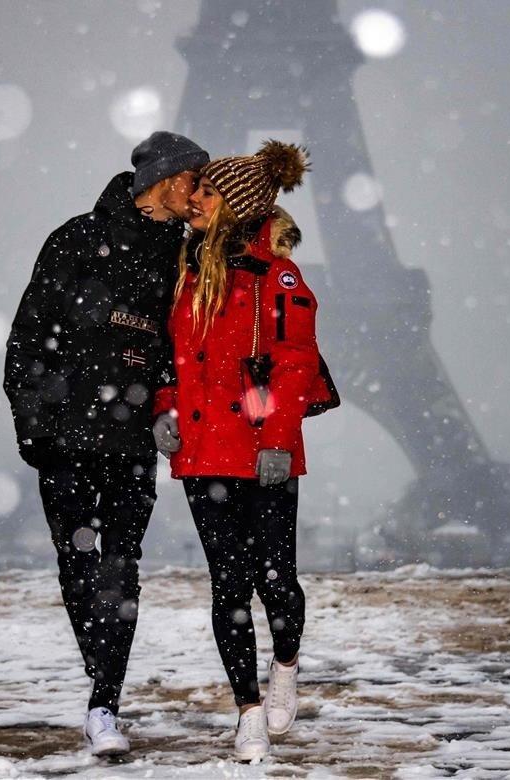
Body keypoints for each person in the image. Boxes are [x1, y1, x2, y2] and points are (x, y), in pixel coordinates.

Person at [2, 131, 208, 755]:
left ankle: (103, 702)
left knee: (121, 572)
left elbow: (183, 347)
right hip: (67, 438)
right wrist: (36, 428)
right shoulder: (76, 241)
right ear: (167, 181)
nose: (201, 193)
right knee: (81, 568)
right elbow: (27, 336)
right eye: (196, 181)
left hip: (131, 442)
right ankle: (103, 684)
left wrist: (168, 412)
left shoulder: (186, 258)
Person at [151, 140, 338, 761]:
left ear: (235, 203)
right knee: (228, 584)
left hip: (262, 450)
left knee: (276, 580)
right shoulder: (187, 270)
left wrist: (279, 441)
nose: (193, 201)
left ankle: (285, 663)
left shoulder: (277, 275)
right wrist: (164, 410)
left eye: (205, 192)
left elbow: (293, 362)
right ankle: (248, 710)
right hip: (204, 451)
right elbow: (171, 360)